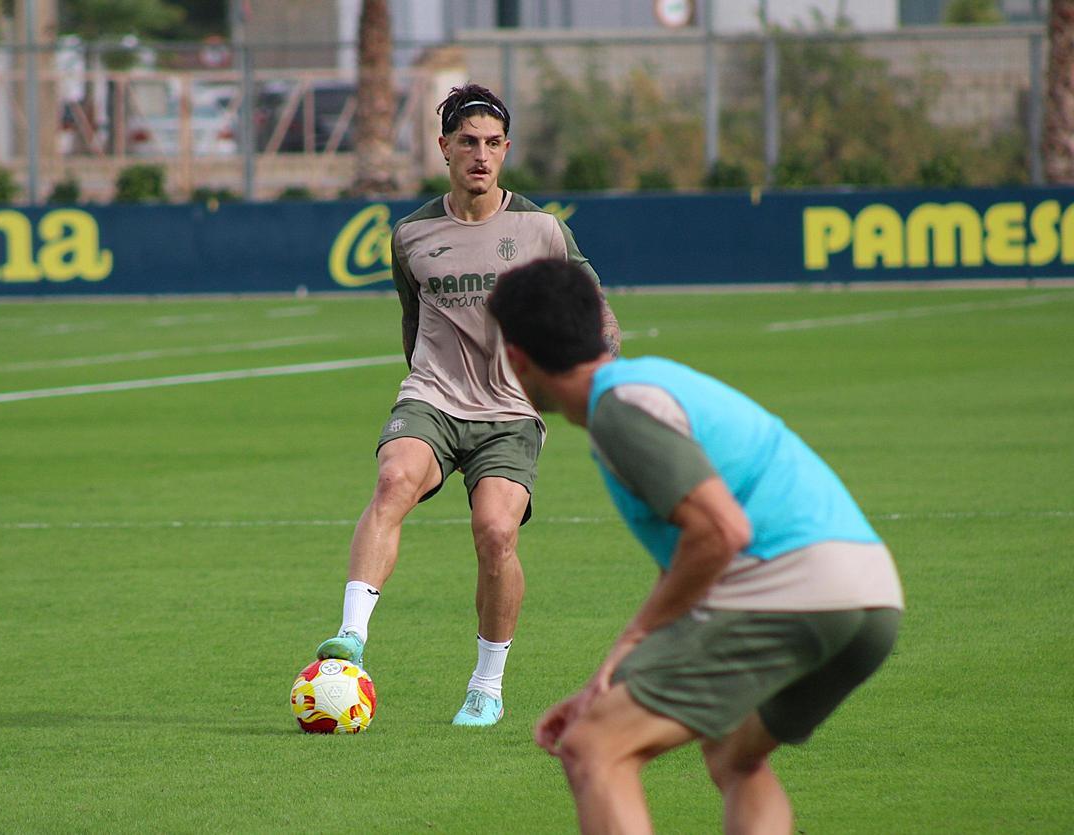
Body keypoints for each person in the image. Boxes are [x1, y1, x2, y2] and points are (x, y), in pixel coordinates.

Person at [487, 258, 904, 833]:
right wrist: (610, 672)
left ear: (516, 359)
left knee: (593, 747)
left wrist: (632, 640)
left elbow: (722, 533)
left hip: (790, 588)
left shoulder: (620, 411)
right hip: (871, 597)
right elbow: (692, 558)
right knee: (735, 752)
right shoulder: (651, 382)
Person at [315, 84, 621, 727]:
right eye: (466, 142)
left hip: (511, 411)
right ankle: (350, 640)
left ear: (506, 150)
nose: (480, 155)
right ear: (444, 149)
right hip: (433, 396)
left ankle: (487, 684)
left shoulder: (542, 229)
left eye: (491, 143)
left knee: (495, 533)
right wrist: (422, 390)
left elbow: (594, 311)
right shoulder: (413, 235)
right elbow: (412, 320)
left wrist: (605, 383)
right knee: (394, 476)